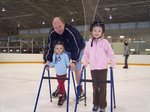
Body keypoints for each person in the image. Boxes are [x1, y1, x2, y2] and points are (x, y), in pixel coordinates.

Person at [46, 17, 85, 100]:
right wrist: (48, 60)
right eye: (55, 27)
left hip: (79, 48)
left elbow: (76, 47)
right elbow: (50, 47)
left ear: (63, 24)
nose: (58, 29)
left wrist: (74, 61)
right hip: (65, 49)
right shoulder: (52, 33)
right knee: (61, 67)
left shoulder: (71, 31)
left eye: (60, 26)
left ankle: (80, 89)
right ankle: (60, 87)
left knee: (77, 68)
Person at [82, 19, 115, 112]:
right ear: (91, 31)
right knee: (95, 87)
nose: (97, 32)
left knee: (103, 88)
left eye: (99, 30)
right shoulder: (88, 43)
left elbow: (111, 53)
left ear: (102, 32)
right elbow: (86, 55)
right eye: (95, 30)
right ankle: (96, 104)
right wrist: (84, 63)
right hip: (93, 69)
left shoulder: (105, 42)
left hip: (103, 69)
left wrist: (112, 63)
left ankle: (103, 105)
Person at [47, 41, 70, 106]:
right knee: (61, 84)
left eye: (60, 48)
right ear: (55, 49)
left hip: (63, 73)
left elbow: (67, 63)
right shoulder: (54, 55)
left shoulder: (65, 55)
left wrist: (70, 65)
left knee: (61, 84)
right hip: (57, 73)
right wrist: (49, 65)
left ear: (63, 49)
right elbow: (53, 63)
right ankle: (64, 94)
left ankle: (61, 96)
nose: (59, 50)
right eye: (57, 48)